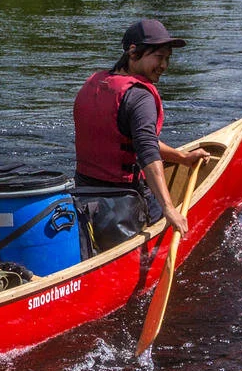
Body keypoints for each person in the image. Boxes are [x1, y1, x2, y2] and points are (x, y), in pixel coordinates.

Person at [73, 18, 213, 237]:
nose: (164, 66)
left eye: (168, 58)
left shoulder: (94, 83)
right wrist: (169, 209)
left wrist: (181, 157)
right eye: (158, 57)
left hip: (82, 198)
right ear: (133, 52)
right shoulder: (139, 96)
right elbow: (147, 152)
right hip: (123, 203)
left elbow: (128, 139)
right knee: (174, 217)